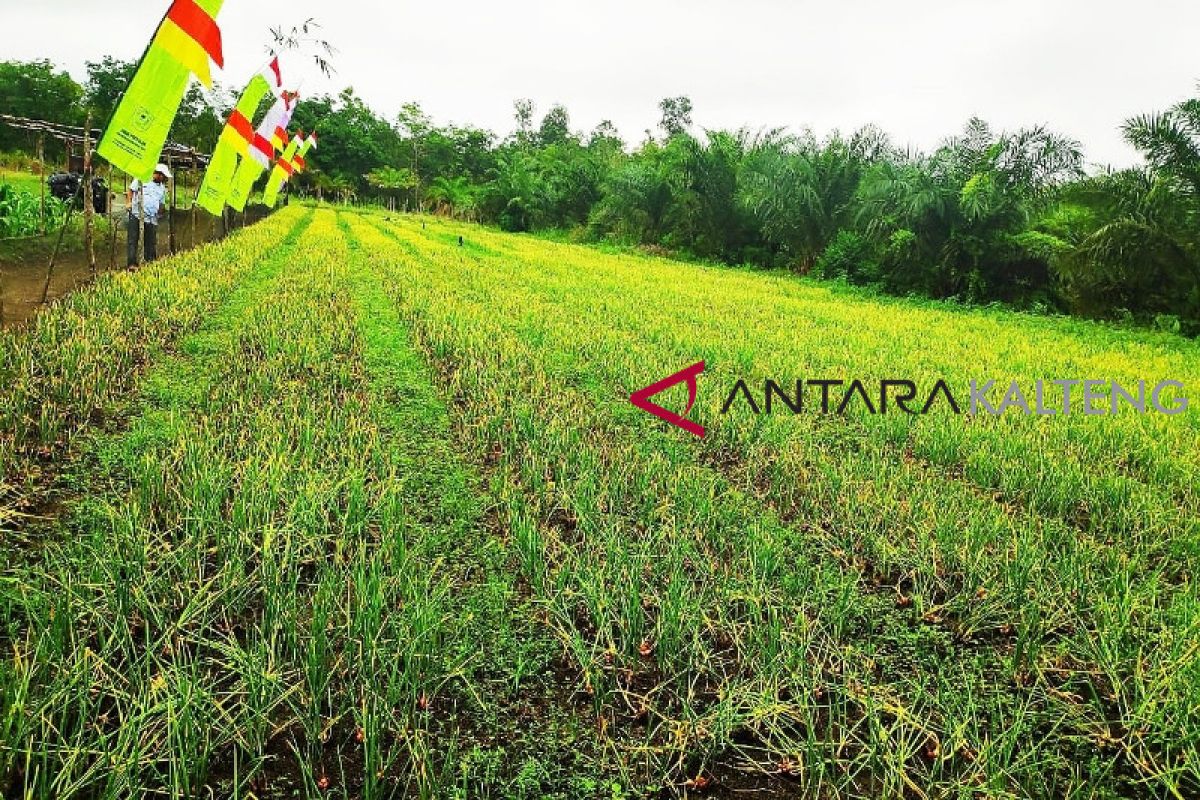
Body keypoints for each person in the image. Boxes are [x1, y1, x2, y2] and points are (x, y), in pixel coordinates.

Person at [127, 163, 171, 267]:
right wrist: (128, 202)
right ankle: (131, 264)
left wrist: (161, 212)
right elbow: (131, 190)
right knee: (133, 240)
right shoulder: (142, 178)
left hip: (152, 219)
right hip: (137, 215)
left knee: (150, 242)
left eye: (163, 176)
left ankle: (148, 263)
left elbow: (161, 203)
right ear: (157, 174)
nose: (162, 178)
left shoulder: (162, 189)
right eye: (161, 175)